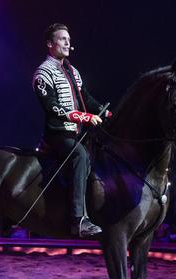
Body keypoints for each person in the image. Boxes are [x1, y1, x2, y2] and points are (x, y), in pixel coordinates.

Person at [32, 23, 111, 237]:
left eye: (68, 38)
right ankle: (78, 219)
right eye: (62, 38)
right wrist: (85, 117)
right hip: (58, 134)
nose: (68, 42)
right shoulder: (42, 72)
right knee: (80, 155)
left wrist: (105, 112)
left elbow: (85, 98)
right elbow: (52, 107)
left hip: (77, 132)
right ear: (50, 44)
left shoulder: (72, 70)